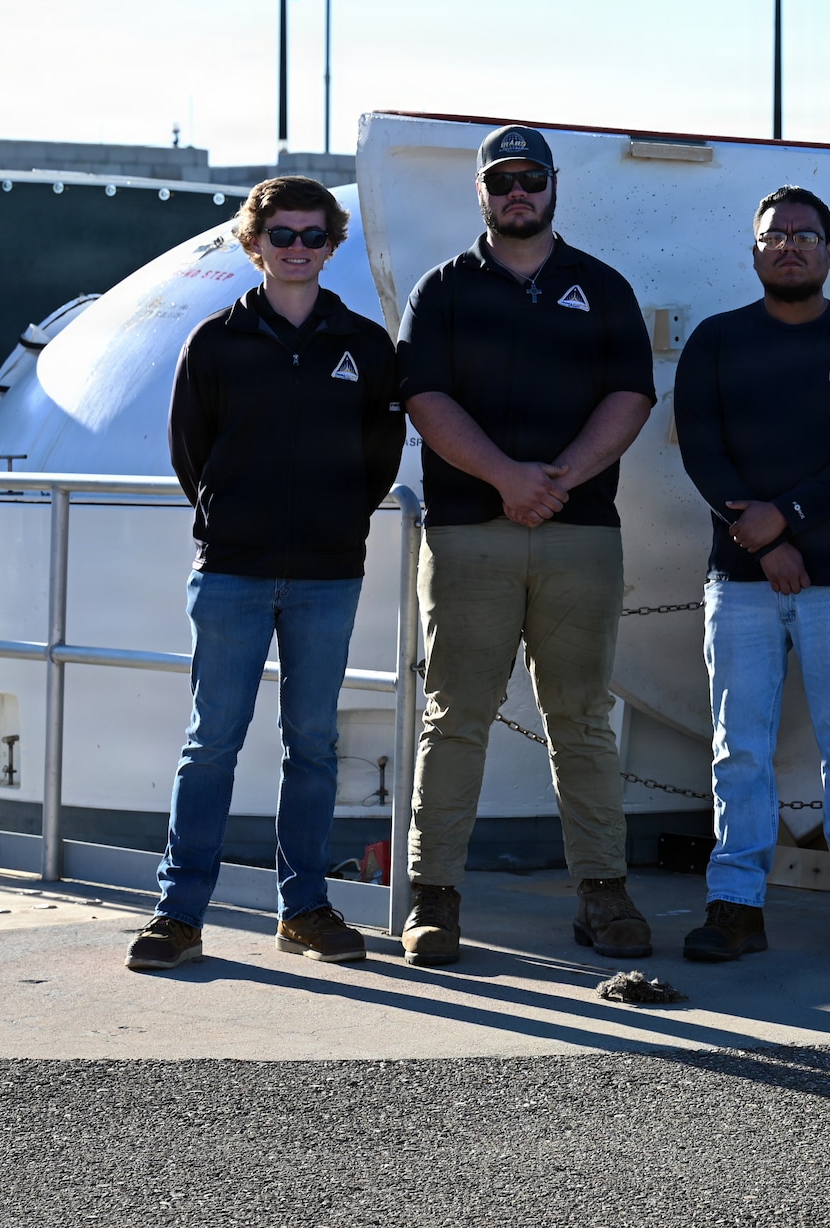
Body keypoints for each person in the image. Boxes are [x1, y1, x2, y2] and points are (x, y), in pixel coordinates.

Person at [394, 125, 657, 965]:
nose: (518, 192)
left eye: (530, 178)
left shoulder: (601, 287)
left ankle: (604, 894)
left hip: (579, 536)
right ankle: (433, 899)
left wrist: (560, 479)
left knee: (581, 719)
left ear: (553, 186)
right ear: (481, 191)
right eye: (501, 179)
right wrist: (508, 478)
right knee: (457, 715)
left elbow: (630, 396)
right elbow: (425, 399)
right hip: (471, 535)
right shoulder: (441, 291)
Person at [128, 176, 405, 972]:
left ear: (331, 244)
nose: (296, 249)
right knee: (210, 745)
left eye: (312, 236)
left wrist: (337, 519)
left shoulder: (364, 346)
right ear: (254, 244)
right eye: (280, 235)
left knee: (312, 746)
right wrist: (231, 522)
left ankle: (306, 910)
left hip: (326, 575)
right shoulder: (213, 343)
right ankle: (178, 915)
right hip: (233, 576)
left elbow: (379, 457)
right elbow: (193, 455)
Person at [673, 185, 830, 965]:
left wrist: (788, 519)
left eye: (805, 235)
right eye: (775, 234)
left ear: (829, 252)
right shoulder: (716, 342)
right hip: (740, 582)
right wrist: (764, 542)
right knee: (739, 746)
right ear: (754, 250)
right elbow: (703, 452)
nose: (789, 245)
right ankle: (736, 904)